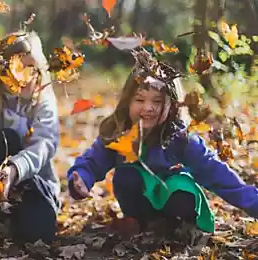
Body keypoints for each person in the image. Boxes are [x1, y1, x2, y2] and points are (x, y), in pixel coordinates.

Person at [67, 48, 258, 237]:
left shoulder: (181, 138)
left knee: (180, 188)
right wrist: (82, 178)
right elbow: (92, 161)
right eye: (140, 99)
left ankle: (178, 227)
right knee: (127, 175)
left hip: (175, 203)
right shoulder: (118, 134)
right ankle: (143, 223)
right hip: (140, 205)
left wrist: (254, 203)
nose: (148, 108)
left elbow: (217, 173)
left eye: (157, 101)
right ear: (128, 101)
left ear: (172, 106)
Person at [0, 30, 61, 244]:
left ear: (40, 69)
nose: (24, 76)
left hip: (37, 186)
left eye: (31, 67)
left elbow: (44, 144)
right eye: (15, 68)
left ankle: (25, 218)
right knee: (4, 137)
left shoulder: (43, 103)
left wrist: (15, 170)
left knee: (37, 234)